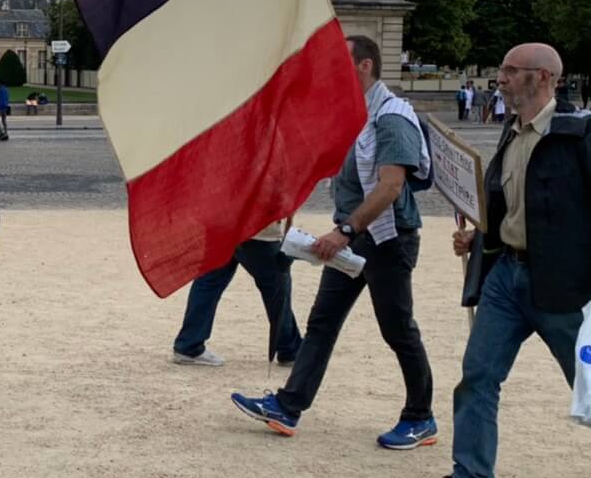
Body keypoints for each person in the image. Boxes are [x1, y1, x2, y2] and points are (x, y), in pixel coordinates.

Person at [419, 43, 591, 478]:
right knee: (477, 376)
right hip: (505, 278)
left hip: (564, 285)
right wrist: (481, 239)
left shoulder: (582, 135)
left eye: (514, 71)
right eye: (503, 70)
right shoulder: (512, 132)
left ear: (546, 78)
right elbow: (514, 206)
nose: (502, 78)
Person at [230, 35, 437, 450]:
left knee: (397, 330)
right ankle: (288, 406)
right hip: (357, 237)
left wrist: (345, 230)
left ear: (364, 66)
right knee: (322, 321)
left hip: (386, 240)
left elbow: (391, 186)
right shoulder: (359, 113)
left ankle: (421, 417)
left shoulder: (391, 117)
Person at [172, 220, 302, 368]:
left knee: (209, 284)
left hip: (223, 223)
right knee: (277, 288)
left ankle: (189, 344)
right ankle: (290, 348)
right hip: (259, 230)